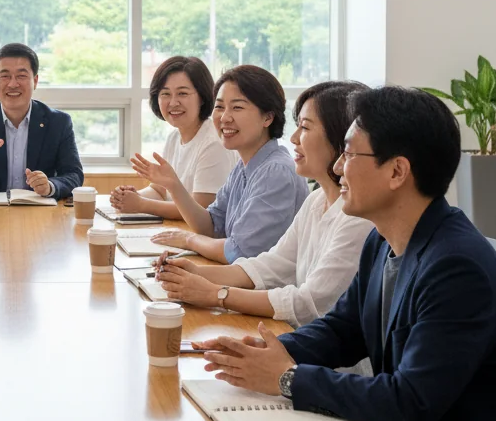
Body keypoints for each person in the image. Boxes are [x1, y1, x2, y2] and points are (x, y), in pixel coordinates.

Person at [197, 87, 496, 421]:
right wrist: (260, 351)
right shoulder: (384, 239)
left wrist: (286, 378)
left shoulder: (456, 267)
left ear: (397, 171)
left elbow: (410, 401)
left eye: (349, 154)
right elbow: (343, 329)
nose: (338, 168)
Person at [157, 81, 373, 326]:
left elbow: (309, 303)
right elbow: (272, 264)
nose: (293, 138)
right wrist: (195, 273)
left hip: (320, 351)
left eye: (304, 127)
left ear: (341, 137)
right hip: (297, 336)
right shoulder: (317, 199)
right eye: (220, 107)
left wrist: (216, 294)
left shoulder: (358, 216)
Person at [131, 64, 309, 262]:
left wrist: (189, 240)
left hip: (266, 289)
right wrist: (173, 186)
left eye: (237, 107)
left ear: (268, 117)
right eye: (220, 107)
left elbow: (238, 251)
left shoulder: (276, 171)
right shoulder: (244, 166)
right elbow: (211, 226)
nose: (225, 117)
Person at [0, 42, 84, 199]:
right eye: (5, 76)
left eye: (21, 76)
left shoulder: (58, 122)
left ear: (35, 81)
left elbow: (74, 175)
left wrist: (50, 186)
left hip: (41, 213)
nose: (13, 84)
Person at [110, 56, 234, 219]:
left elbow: (202, 210)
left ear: (202, 97)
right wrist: (130, 197)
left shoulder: (213, 143)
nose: (173, 102)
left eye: (182, 93)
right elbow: (159, 191)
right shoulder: (174, 137)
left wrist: (141, 204)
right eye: (165, 94)